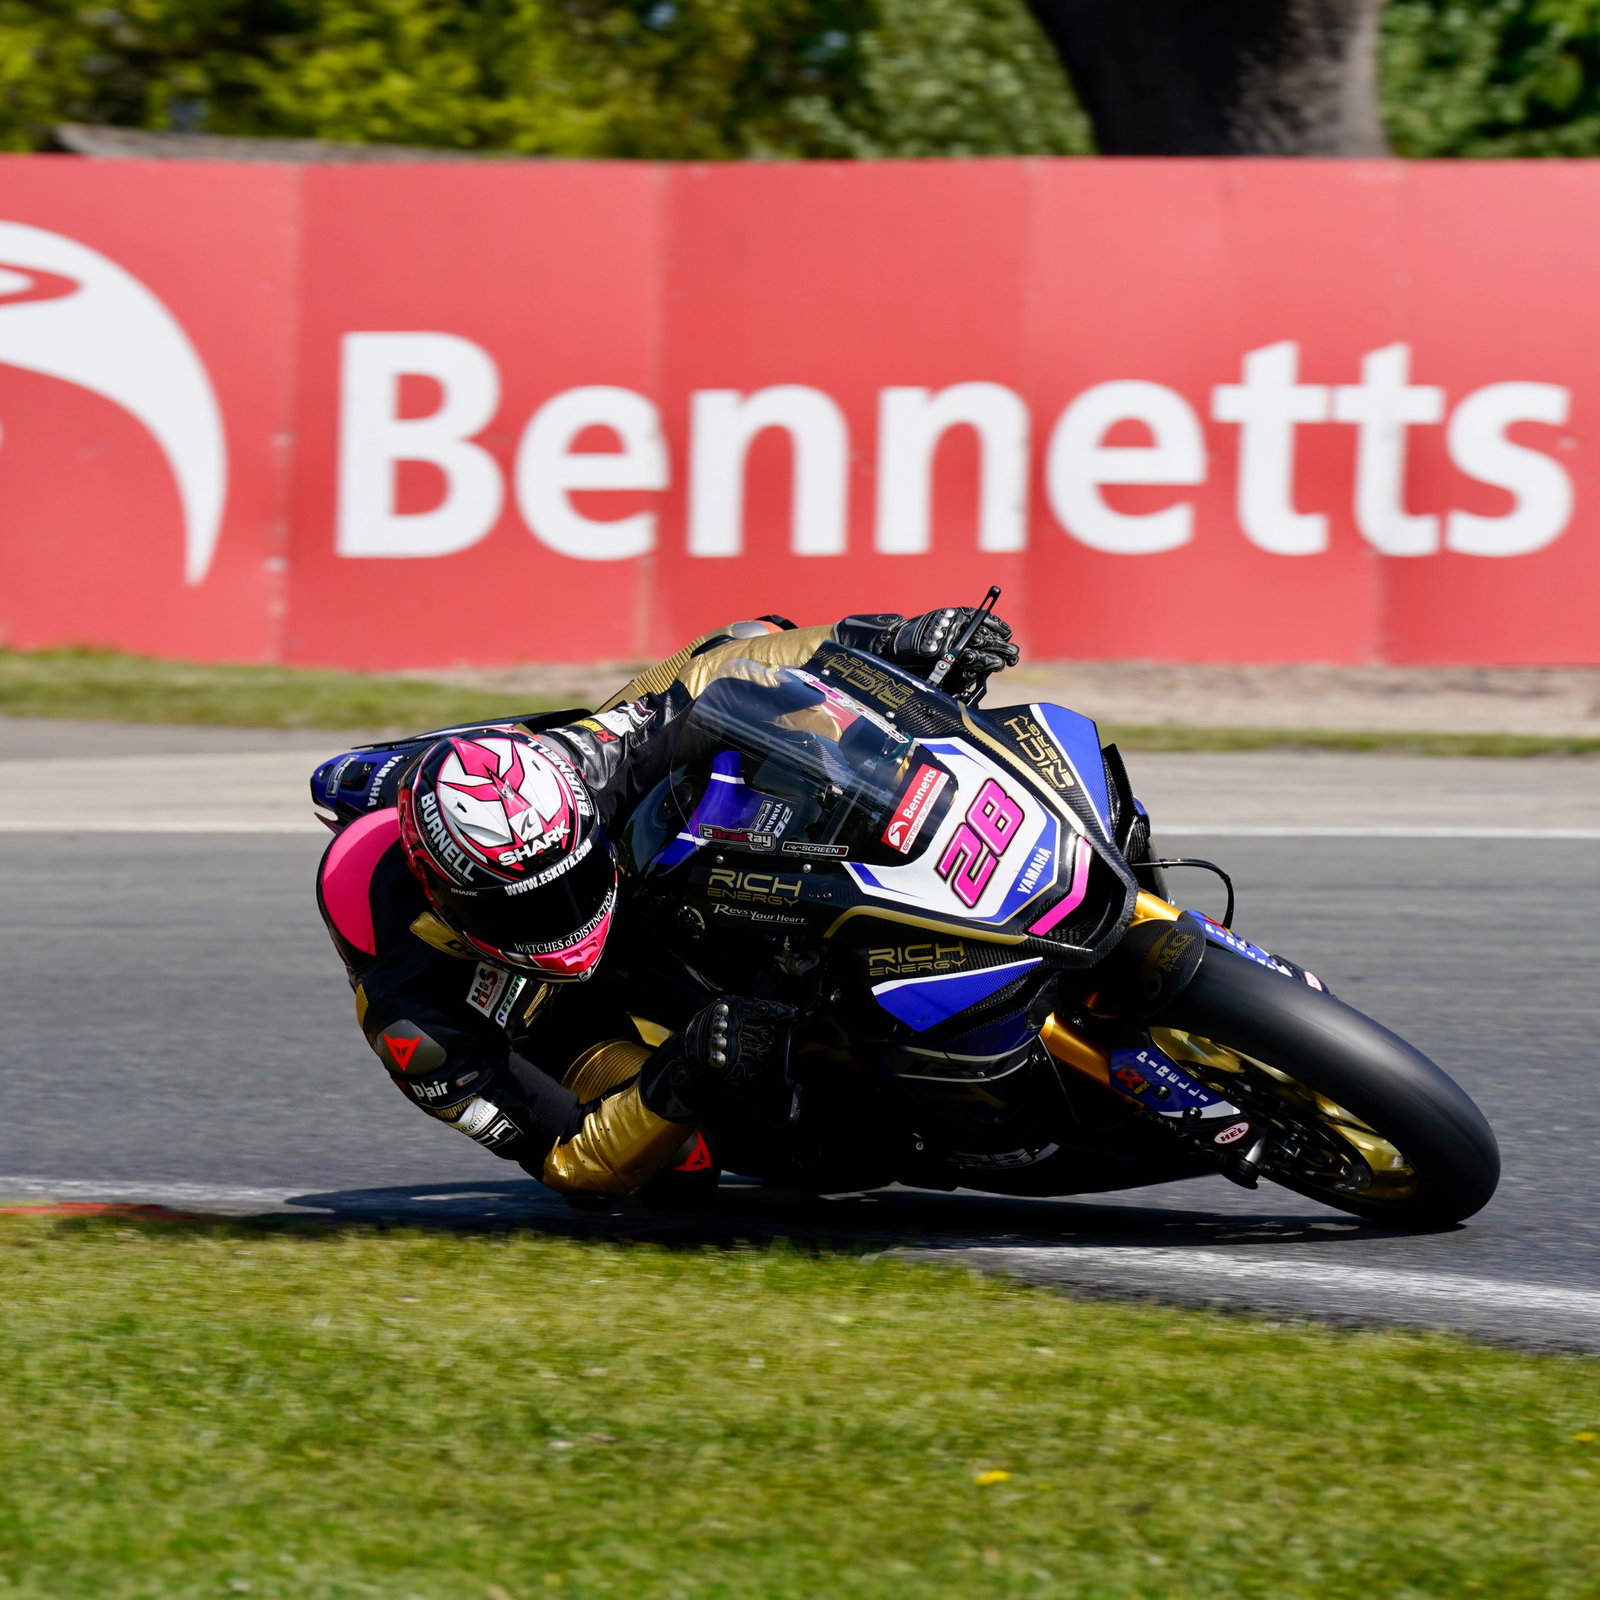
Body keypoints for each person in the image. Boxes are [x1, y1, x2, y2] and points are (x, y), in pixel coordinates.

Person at [313, 607, 1018, 1204]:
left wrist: (879, 643)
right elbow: (568, 1163)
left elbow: (719, 671)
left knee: (756, 656)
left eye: (567, 879)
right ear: (448, 898)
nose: (563, 914)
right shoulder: (414, 1018)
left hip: (640, 883)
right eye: (527, 911)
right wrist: (682, 1074)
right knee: (686, 1166)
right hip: (569, 1024)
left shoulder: (579, 763)